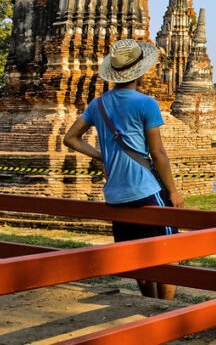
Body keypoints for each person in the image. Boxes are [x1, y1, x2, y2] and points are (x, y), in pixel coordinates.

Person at [64, 38, 184, 300]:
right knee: (168, 252)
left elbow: (70, 138)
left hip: (116, 194)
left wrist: (102, 156)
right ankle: (163, 309)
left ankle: (149, 306)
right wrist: (173, 191)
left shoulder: (98, 104)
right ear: (140, 71)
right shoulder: (146, 103)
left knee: (136, 255)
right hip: (145, 190)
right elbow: (158, 153)